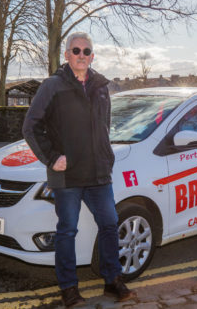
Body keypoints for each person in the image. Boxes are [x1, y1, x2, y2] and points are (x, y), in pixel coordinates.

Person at [22, 32, 136, 308]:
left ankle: (112, 280)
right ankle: (69, 288)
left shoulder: (100, 87)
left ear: (92, 56)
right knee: (67, 230)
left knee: (110, 224)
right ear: (67, 55)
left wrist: (106, 156)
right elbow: (31, 126)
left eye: (86, 51)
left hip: (98, 173)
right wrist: (51, 158)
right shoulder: (52, 86)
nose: (81, 55)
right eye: (76, 50)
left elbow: (105, 127)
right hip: (67, 174)